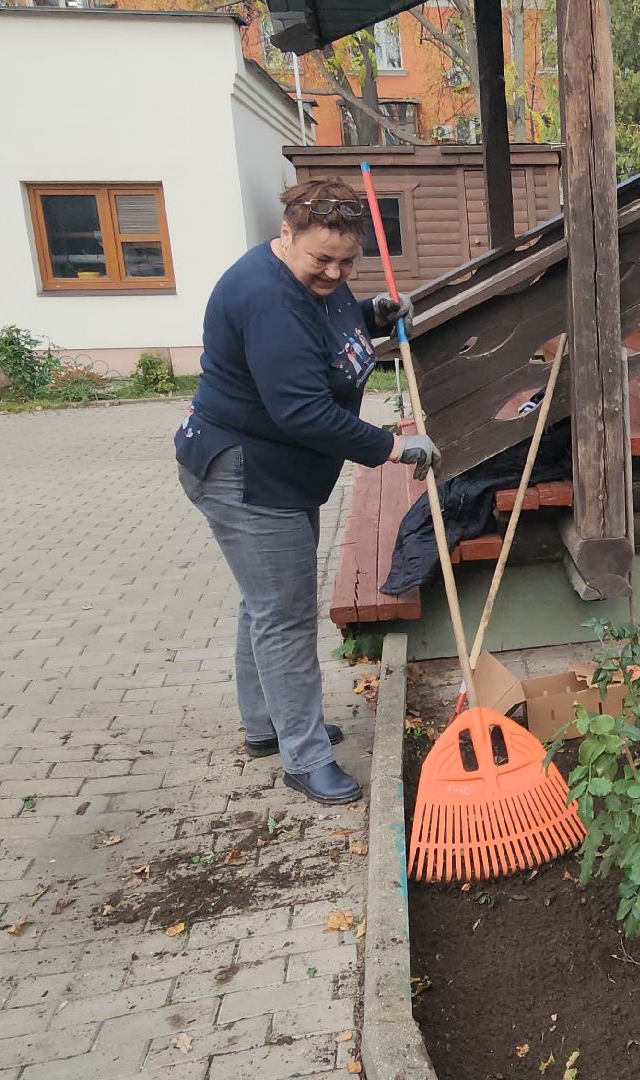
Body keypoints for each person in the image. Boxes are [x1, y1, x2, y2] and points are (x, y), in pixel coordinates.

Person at [175, 179, 440, 805]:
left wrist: (371, 310)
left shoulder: (317, 279)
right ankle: (304, 755)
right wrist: (392, 447)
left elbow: (334, 316)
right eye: (322, 259)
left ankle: (267, 724)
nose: (334, 272)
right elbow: (301, 411)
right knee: (285, 616)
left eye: (348, 263)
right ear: (285, 235)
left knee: (265, 603)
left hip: (282, 474)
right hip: (246, 474)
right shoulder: (266, 298)